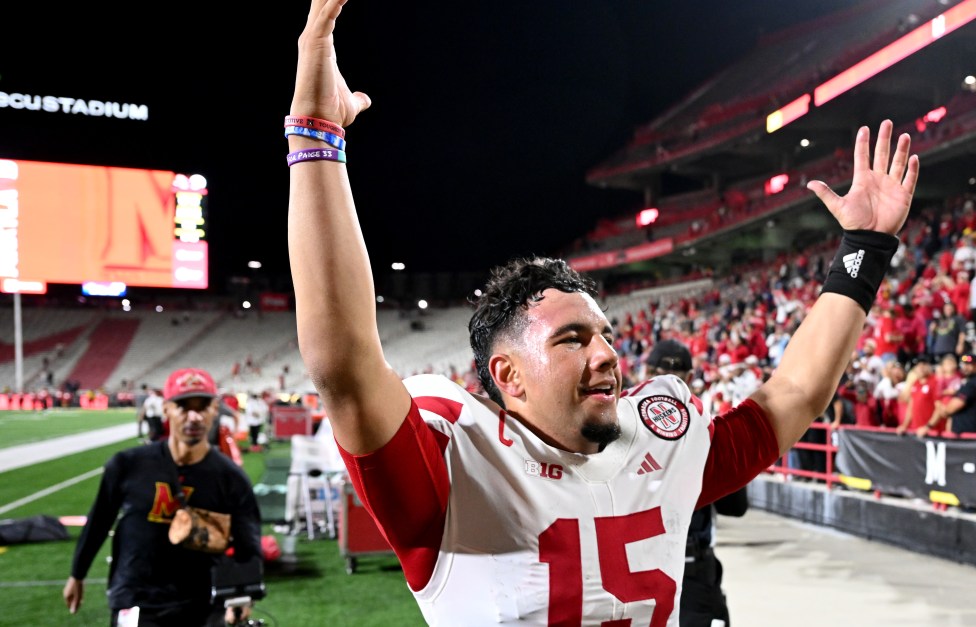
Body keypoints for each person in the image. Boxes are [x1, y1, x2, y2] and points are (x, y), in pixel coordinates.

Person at [285, 1, 919, 623]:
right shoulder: (449, 473)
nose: (608, 354)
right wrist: (316, 135)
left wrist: (864, 250)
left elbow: (796, 394)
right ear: (508, 376)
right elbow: (342, 363)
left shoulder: (659, 448)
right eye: (571, 339)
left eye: (605, 334)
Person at [64, 367, 262, 626]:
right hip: (135, 597)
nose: (194, 417)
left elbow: (249, 542)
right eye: (183, 406)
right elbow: (99, 520)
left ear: (215, 410)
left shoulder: (231, 478)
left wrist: (242, 596)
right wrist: (77, 574)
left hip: (202, 602)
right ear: (166, 409)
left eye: (202, 407)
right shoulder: (127, 464)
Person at [643, 339, 749, 627]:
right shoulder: (704, 430)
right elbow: (735, 506)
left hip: (634, 565)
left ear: (646, 373)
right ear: (689, 380)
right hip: (691, 567)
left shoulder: (614, 427)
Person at [916, 353, 976, 438]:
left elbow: (950, 409)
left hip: (968, 436)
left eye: (970, 364)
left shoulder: (972, 384)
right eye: (965, 364)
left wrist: (940, 406)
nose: (966, 367)